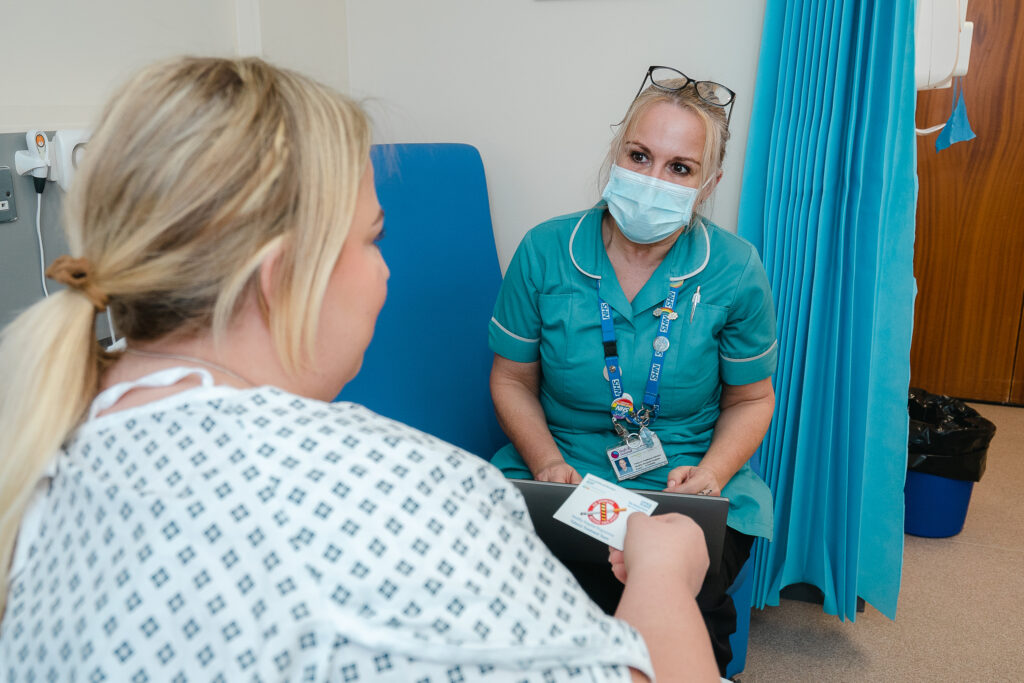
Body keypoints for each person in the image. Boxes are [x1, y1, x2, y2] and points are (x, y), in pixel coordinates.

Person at [0, 57, 722, 681]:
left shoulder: (40, 447)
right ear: (281, 277)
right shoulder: (408, 498)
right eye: (372, 239)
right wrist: (664, 570)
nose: (383, 272)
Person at [489, 65, 778, 675]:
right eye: (640, 155)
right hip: (561, 471)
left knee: (667, 605)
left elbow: (752, 399)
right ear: (616, 153)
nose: (652, 180)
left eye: (680, 168)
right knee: (529, 609)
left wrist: (711, 474)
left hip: (683, 483)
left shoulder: (733, 267)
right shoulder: (546, 250)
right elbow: (511, 378)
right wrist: (544, 460)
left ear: (708, 184)